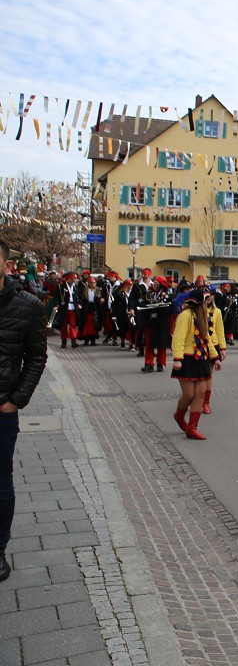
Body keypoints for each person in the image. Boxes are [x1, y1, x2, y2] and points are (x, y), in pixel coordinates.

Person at [0, 239, 48, 581]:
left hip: (2, 408)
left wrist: (16, 399)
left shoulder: (27, 305)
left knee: (1, 482)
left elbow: (36, 356)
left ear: (5, 266)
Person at [170, 287, 218, 440]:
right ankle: (179, 416)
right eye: (205, 300)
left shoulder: (203, 316)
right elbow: (178, 338)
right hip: (187, 358)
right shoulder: (185, 316)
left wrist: (214, 357)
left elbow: (206, 339)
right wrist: (177, 359)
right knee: (189, 394)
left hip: (202, 358)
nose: (208, 303)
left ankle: (192, 427)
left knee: (200, 394)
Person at [202, 289, 228, 414]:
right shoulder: (197, 310)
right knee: (199, 374)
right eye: (206, 295)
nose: (209, 297)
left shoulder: (217, 312)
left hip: (214, 344)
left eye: (211, 295)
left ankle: (206, 402)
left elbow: (220, 330)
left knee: (209, 374)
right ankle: (196, 398)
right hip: (199, 345)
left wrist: (222, 348)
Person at [139, 277, 173, 372]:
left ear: (161, 284)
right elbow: (145, 305)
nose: (154, 284)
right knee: (149, 343)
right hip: (151, 322)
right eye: (154, 282)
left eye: (156, 282)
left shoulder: (167, 295)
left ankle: (160, 363)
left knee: (161, 344)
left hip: (162, 322)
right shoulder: (149, 294)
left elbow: (170, 309)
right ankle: (148, 363)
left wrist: (160, 307)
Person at [58, 272, 81, 349]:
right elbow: (56, 297)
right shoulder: (61, 287)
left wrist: (79, 304)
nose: (75, 280)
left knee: (73, 325)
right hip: (64, 308)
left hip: (73, 308)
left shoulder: (76, 287)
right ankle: (64, 341)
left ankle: (73, 340)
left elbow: (79, 297)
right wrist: (55, 306)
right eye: (74, 278)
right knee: (63, 325)